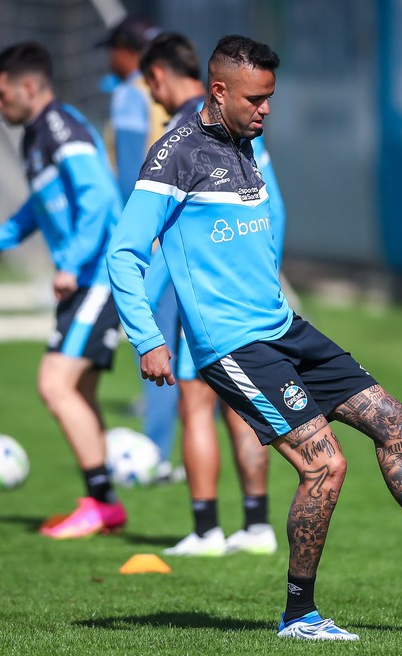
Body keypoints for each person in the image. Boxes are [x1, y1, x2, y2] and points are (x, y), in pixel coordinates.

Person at [107, 34, 402, 640]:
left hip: (284, 328)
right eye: (256, 98)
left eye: (271, 98)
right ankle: (298, 615)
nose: (266, 110)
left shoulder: (246, 141)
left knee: (397, 423)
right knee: (325, 466)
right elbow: (124, 251)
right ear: (219, 91)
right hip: (234, 346)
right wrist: (148, 338)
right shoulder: (174, 155)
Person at [0, 42, 126, 540]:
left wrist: (72, 262)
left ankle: (100, 505)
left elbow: (99, 197)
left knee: (54, 384)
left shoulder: (60, 128)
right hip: (85, 275)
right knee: (77, 390)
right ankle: (104, 507)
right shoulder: (37, 136)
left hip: (98, 273)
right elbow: (39, 206)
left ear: (27, 87)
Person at [138, 31, 284, 557]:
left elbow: (150, 244)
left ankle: (205, 531)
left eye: (149, 85)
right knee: (246, 409)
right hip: (251, 296)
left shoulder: (187, 138)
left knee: (195, 405)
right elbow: (272, 211)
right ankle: (258, 524)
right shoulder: (246, 133)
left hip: (202, 295)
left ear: (160, 77)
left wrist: (146, 316)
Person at [95, 16, 178, 467]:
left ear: (129, 52)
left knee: (156, 344)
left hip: (154, 238)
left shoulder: (131, 93)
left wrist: (138, 240)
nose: (110, 58)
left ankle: (156, 456)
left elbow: (132, 173)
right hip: (190, 236)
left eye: (113, 48)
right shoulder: (192, 96)